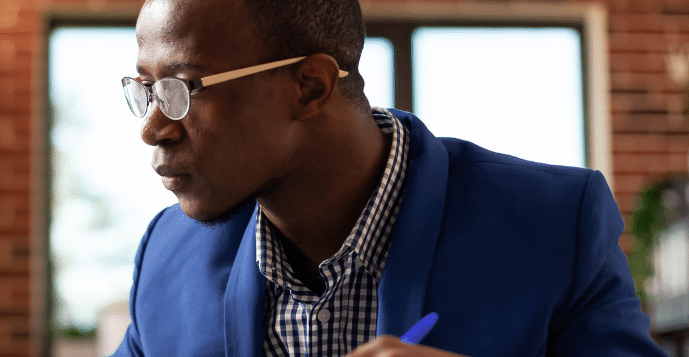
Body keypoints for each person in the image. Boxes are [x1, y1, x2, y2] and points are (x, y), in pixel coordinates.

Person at [110, 0, 667, 355]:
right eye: (146, 90)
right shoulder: (167, 255)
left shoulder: (553, 224)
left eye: (182, 89)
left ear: (310, 87)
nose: (153, 128)